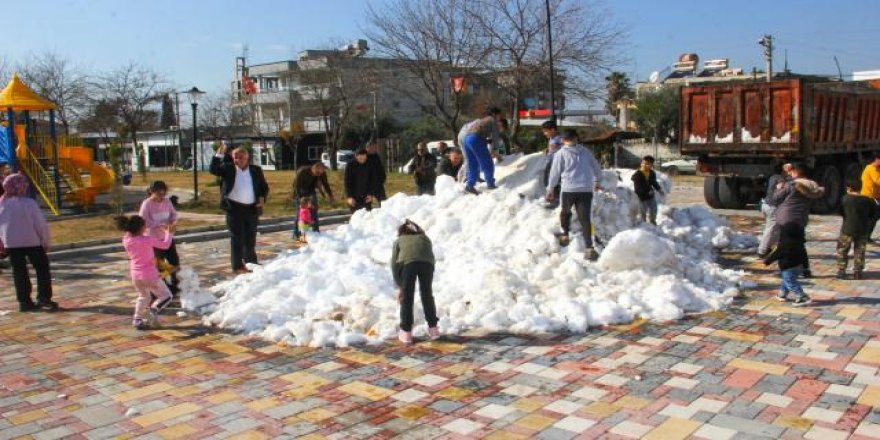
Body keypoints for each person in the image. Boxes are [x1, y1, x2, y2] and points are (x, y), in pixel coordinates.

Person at [0, 173, 57, 312]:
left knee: (19, 272)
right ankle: (44, 298)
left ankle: (24, 302)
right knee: (42, 269)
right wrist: (45, 241)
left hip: (12, 244)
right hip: (32, 241)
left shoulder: (2, 204)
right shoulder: (29, 203)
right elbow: (40, 225)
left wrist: (2, 243)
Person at [209, 144, 270, 274]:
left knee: (250, 238)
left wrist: (262, 197)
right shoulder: (228, 168)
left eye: (241, 157)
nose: (238, 160)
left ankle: (251, 262)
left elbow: (264, 187)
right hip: (234, 208)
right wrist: (219, 154)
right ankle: (237, 266)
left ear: (247, 157)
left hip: (251, 208)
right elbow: (213, 170)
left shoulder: (256, 170)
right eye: (235, 157)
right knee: (237, 238)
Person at [546, 130, 603, 261]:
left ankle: (565, 234)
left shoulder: (560, 154)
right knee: (585, 219)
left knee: (565, 212)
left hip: (568, 189)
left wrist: (550, 188)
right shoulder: (586, 152)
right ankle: (589, 248)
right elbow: (596, 167)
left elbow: (554, 173)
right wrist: (597, 181)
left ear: (563, 140)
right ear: (576, 139)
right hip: (585, 190)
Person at [116, 215, 174, 330]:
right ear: (141, 228)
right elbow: (165, 245)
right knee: (166, 296)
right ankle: (153, 310)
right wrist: (169, 233)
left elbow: (136, 234)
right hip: (150, 275)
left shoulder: (126, 239)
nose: (146, 228)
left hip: (136, 275)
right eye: (145, 226)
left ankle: (137, 319)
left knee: (143, 296)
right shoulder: (147, 240)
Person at [767, 162, 824, 278]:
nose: (790, 173)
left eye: (792, 171)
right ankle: (805, 269)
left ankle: (784, 270)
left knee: (784, 244)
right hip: (801, 218)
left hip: (787, 218)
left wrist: (778, 188)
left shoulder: (791, 185)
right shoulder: (812, 185)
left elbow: (775, 198)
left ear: (796, 172)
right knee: (799, 244)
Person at [391, 219, 439, 345]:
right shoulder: (425, 238)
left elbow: (394, 265)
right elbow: (431, 258)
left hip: (409, 265)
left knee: (407, 298)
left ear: (401, 232)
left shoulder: (399, 241)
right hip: (427, 265)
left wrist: (401, 286)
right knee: (427, 295)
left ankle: (406, 333)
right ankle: (433, 329)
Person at [138, 180, 180, 295]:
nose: (161, 195)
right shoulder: (147, 203)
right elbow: (143, 221)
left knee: (174, 262)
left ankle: (175, 283)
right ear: (152, 191)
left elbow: (173, 214)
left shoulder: (167, 201)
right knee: (160, 264)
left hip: (168, 237)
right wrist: (159, 225)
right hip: (154, 239)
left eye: (163, 192)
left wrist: (173, 222)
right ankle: (163, 287)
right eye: (158, 192)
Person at [837, 178, 878, 280]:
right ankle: (857, 272)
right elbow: (873, 214)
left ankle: (842, 271)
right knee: (860, 251)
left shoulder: (844, 199)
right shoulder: (869, 200)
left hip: (847, 229)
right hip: (863, 229)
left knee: (842, 250)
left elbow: (840, 212)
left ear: (849, 188)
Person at [457, 107, 503, 194]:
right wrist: (495, 149)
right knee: (487, 162)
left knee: (473, 163)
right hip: (476, 138)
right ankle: (490, 184)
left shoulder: (481, 120)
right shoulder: (492, 120)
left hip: (466, 139)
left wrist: (487, 141)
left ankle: (470, 185)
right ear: (494, 114)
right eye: (499, 115)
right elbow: (496, 136)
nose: (499, 118)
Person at [764, 223, 811, 306]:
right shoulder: (799, 243)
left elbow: (776, 254)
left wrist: (767, 261)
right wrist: (806, 268)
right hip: (798, 266)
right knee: (788, 280)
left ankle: (802, 296)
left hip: (787, 268)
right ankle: (782, 294)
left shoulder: (784, 244)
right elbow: (804, 256)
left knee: (790, 282)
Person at [291, 162, 334, 240]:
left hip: (310, 191)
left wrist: (330, 195)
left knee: (314, 210)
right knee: (300, 213)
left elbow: (325, 184)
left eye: (321, 173)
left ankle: (316, 232)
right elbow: (296, 186)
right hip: (299, 191)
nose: (319, 175)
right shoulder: (302, 171)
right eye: (318, 173)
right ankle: (296, 233)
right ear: (314, 169)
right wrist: (301, 199)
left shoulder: (322, 173)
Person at [757, 162, 792, 257]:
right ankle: (762, 251)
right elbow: (781, 189)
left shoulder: (773, 177)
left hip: (766, 205)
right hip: (773, 206)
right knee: (771, 229)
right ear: (782, 170)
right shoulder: (780, 179)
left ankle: (768, 247)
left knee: (775, 228)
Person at [631, 155, 664, 224]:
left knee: (654, 209)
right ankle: (643, 224)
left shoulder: (652, 173)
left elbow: (654, 182)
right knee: (643, 212)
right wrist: (647, 192)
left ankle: (652, 222)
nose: (644, 165)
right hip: (641, 197)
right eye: (643, 163)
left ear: (651, 165)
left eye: (647, 164)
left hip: (650, 196)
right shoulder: (638, 175)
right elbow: (638, 188)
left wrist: (659, 189)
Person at [541, 120, 564, 207]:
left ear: (553, 130)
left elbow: (567, 146)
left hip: (557, 162)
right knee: (547, 180)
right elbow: (551, 148)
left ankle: (555, 199)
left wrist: (557, 146)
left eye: (546, 131)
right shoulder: (551, 138)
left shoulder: (560, 138)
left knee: (554, 180)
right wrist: (547, 150)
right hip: (550, 161)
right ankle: (551, 197)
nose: (544, 134)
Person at [860, 152, 880, 240]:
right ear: (877, 159)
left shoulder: (876, 168)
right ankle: (864, 236)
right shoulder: (871, 168)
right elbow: (878, 181)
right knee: (872, 218)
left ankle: (866, 236)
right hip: (869, 197)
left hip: (875, 197)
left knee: (874, 217)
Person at [365, 140, 387, 205]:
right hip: (367, 185)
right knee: (366, 204)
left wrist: (383, 177)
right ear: (368, 147)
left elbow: (380, 168)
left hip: (378, 184)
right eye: (374, 147)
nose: (375, 149)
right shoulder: (363, 156)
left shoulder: (376, 156)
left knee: (383, 202)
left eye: (376, 147)